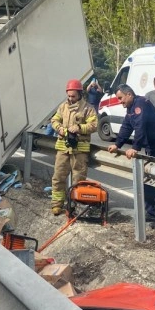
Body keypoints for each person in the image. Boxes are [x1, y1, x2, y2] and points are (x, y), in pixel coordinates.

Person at [107, 84, 155, 229]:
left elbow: (140, 127)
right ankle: (151, 213)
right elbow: (127, 126)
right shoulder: (131, 108)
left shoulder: (140, 104)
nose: (120, 101)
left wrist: (135, 148)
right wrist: (118, 144)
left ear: (129, 95)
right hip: (152, 147)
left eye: (121, 98)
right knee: (148, 181)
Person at [49, 79, 98, 216]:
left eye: (73, 96)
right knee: (58, 177)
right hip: (63, 148)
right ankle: (57, 205)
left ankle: (77, 205)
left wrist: (79, 128)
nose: (70, 99)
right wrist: (60, 129)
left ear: (80, 94)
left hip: (79, 150)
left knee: (79, 180)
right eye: (69, 96)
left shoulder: (88, 108)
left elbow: (93, 125)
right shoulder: (62, 107)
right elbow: (54, 120)